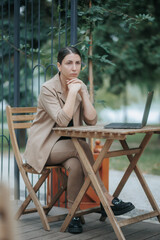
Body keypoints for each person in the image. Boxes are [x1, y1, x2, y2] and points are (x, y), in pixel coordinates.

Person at [24, 46, 135, 234]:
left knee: (76, 164)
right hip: (44, 148)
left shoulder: (79, 85)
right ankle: (107, 198)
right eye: (68, 63)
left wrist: (83, 93)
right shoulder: (47, 89)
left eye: (77, 63)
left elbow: (91, 120)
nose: (74, 67)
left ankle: (72, 214)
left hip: (69, 147)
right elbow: (61, 120)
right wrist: (73, 93)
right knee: (82, 147)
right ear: (59, 66)